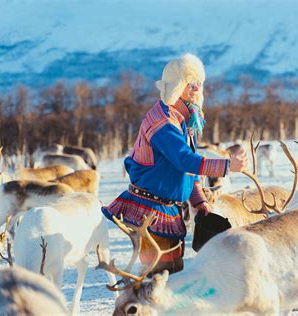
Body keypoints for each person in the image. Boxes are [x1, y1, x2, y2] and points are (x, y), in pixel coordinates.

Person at [102, 53, 248, 275]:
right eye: (190, 84)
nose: (196, 89)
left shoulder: (185, 120)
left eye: (198, 83)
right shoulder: (163, 122)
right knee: (157, 275)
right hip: (149, 213)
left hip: (168, 210)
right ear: (176, 86)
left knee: (173, 269)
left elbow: (187, 169)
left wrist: (199, 201)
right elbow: (184, 159)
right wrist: (227, 166)